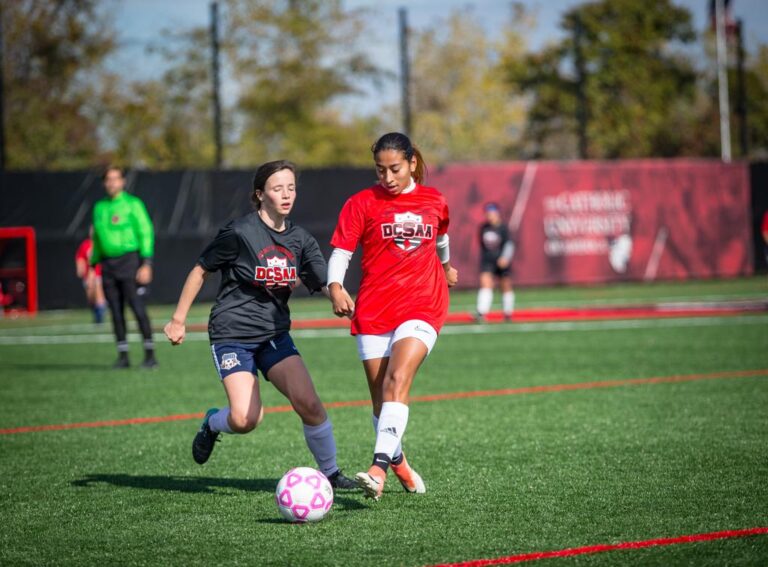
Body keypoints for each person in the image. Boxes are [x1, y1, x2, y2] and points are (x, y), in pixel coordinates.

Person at [163, 160, 357, 490]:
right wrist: (178, 320)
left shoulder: (301, 240)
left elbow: (325, 281)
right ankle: (212, 423)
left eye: (291, 187)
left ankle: (331, 474)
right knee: (245, 419)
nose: (286, 194)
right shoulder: (239, 232)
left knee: (309, 404)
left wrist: (339, 296)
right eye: (277, 188)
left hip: (273, 334)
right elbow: (200, 270)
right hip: (232, 334)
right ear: (260, 194)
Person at [327, 132, 458, 500]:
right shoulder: (361, 203)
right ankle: (398, 460)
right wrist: (335, 286)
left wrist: (446, 266)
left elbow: (442, 235)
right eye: (380, 170)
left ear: (412, 162)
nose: (387, 177)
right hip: (374, 307)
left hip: (423, 303)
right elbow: (341, 251)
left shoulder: (434, 199)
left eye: (394, 169)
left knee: (398, 378)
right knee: (381, 401)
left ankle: (378, 468)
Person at [91, 165, 157, 369]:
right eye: (108, 179)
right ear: (104, 183)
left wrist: (146, 263)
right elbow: (97, 239)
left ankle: (150, 355)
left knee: (137, 308)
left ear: (123, 181)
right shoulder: (99, 208)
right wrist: (94, 263)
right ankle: (123, 355)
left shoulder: (133, 204)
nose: (112, 183)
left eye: (115, 178)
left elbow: (146, 232)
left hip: (130, 262)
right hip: (107, 264)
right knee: (116, 311)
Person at [475, 202, 515, 322]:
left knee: (505, 285)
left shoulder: (503, 228)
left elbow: (509, 244)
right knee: (485, 283)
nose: (490, 216)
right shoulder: (483, 228)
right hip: (488, 260)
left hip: (502, 260)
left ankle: (508, 312)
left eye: (492, 213)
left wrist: (505, 258)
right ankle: (481, 312)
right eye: (488, 214)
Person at [74, 226, 107, 324]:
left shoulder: (103, 244)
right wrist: (80, 268)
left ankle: (100, 316)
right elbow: (80, 257)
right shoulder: (85, 245)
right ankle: (97, 313)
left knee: (99, 292)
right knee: (90, 297)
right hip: (88, 276)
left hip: (100, 274)